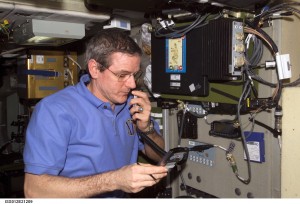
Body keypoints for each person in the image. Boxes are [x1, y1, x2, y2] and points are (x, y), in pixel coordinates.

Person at [23, 29, 168, 198]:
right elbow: (34, 191)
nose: (132, 84)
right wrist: (114, 180)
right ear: (94, 69)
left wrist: (146, 129)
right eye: (122, 75)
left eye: (135, 74)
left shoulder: (132, 103)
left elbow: (160, 155)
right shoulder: (55, 110)